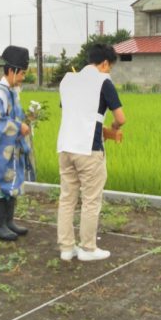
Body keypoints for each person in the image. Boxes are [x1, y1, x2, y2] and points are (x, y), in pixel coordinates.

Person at [56, 43, 126, 262]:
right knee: (91, 200)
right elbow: (121, 118)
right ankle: (88, 248)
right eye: (110, 67)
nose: (109, 72)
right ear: (105, 63)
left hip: (65, 147)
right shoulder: (103, 81)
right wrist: (113, 128)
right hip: (88, 149)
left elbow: (73, 110)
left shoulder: (68, 80)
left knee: (67, 198)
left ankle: (67, 248)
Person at [0, 45, 33, 241]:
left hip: (11, 148)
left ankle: (9, 221)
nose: (23, 78)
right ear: (12, 71)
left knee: (11, 182)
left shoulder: (13, 91)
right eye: (22, 73)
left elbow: (15, 115)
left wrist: (27, 121)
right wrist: (18, 127)